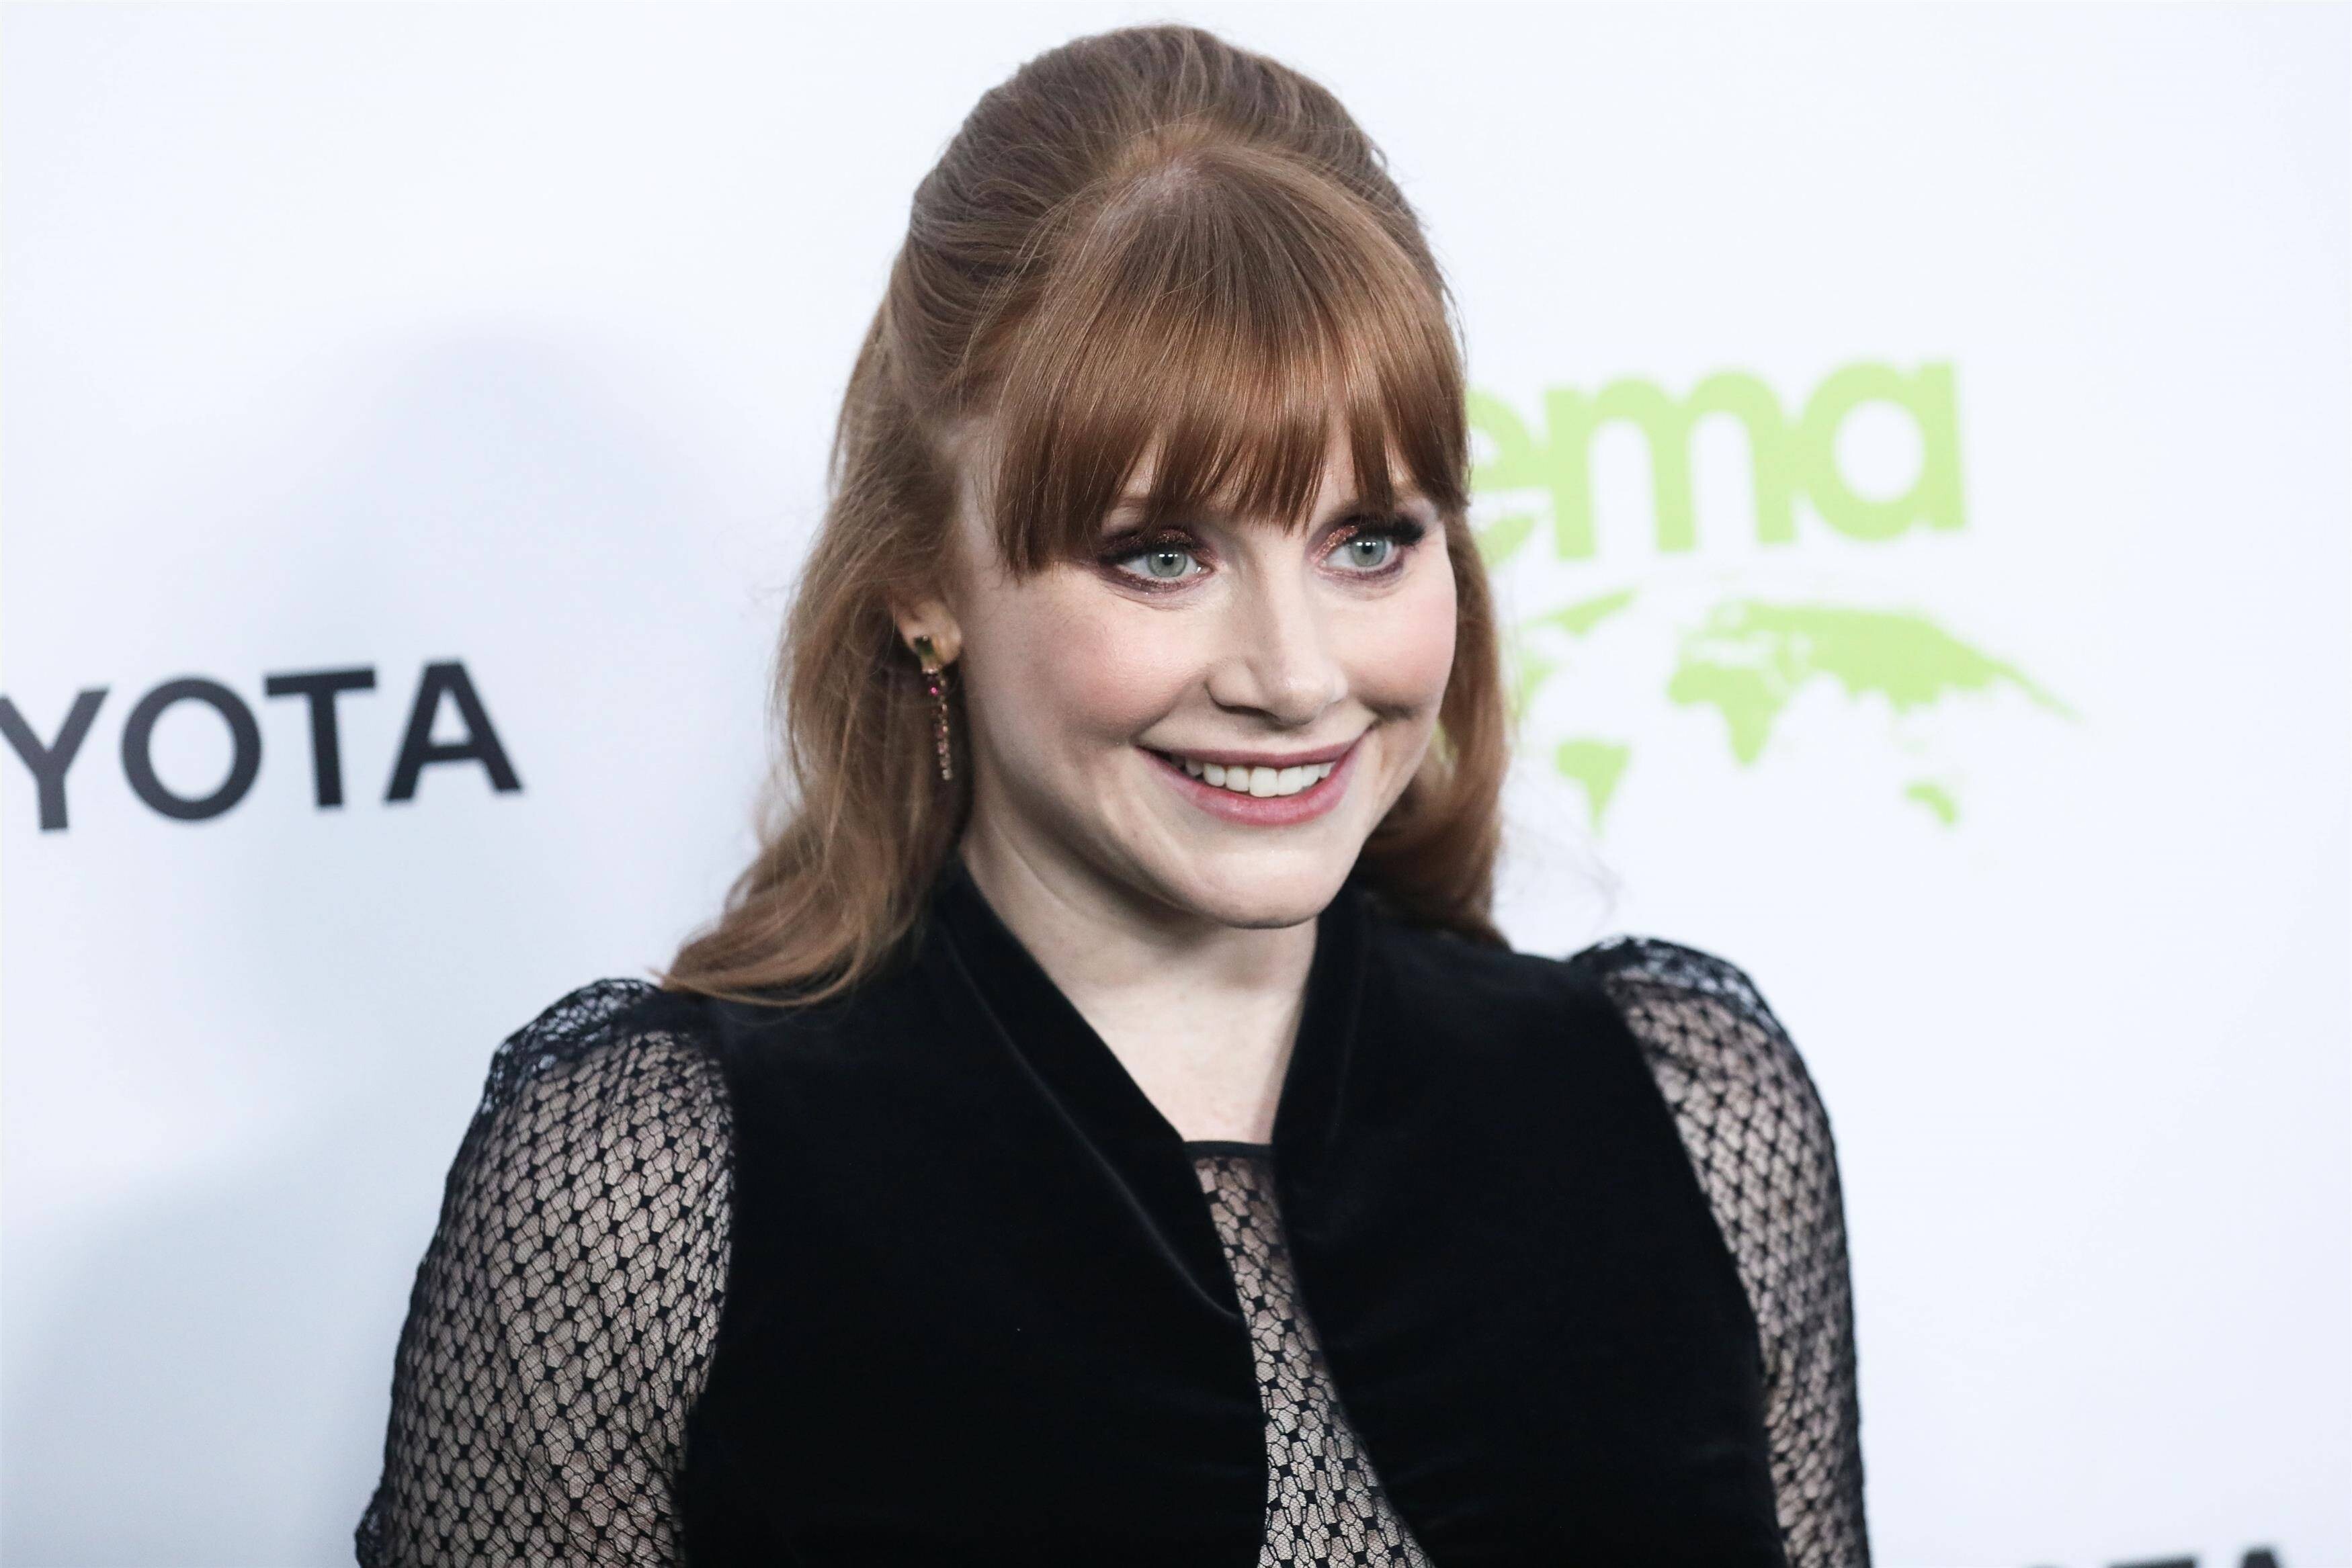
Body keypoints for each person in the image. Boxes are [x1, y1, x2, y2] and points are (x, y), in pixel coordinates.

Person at [353, 22, 1867, 1568]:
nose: (1293, 675)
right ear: (923, 584)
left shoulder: (1692, 1115)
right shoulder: (649, 1196)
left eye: (1368, 542)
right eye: (1160, 555)